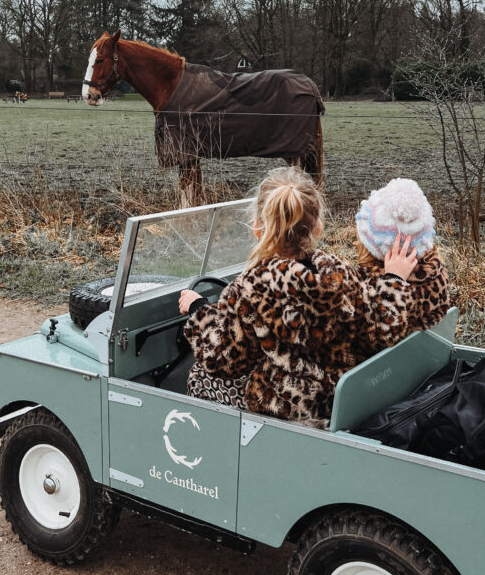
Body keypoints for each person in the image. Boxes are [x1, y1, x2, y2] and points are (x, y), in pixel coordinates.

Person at [179, 167, 420, 425]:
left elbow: (224, 361)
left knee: (200, 376)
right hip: (339, 403)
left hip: (285, 410)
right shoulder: (339, 273)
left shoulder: (249, 288)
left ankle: (218, 446)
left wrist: (199, 311)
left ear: (257, 228)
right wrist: (394, 279)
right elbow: (382, 332)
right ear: (318, 228)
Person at [353, 177, 451, 359]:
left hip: (383, 375)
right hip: (425, 367)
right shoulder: (436, 274)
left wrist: (393, 281)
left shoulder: (365, 289)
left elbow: (377, 339)